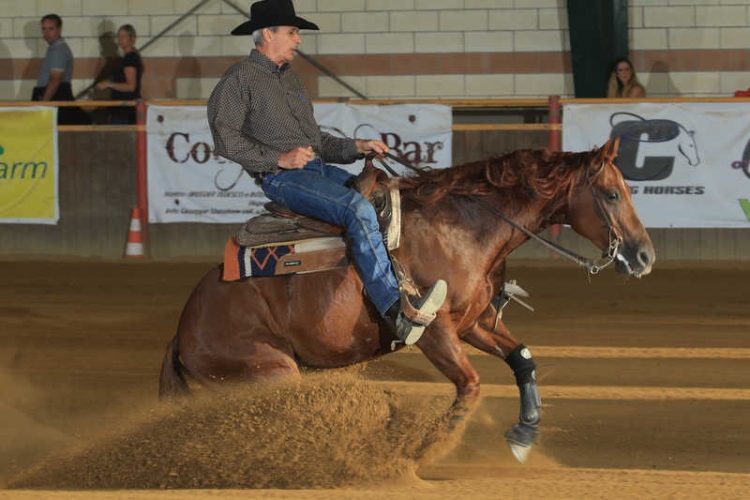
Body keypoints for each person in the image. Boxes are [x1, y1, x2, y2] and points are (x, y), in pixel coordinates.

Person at [207, 0, 447, 346]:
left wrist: (356, 146)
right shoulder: (239, 79)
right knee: (356, 209)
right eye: (292, 32)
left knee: (387, 199)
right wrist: (279, 158)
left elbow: (317, 139)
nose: (298, 40)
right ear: (269, 34)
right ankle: (395, 311)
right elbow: (225, 139)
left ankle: (397, 285)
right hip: (284, 178)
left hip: (317, 170)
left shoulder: (289, 79)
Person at [32, 14, 90, 125]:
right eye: (44, 29)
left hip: (55, 97)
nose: (46, 33)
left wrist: (42, 105)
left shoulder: (58, 50)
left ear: (60, 29)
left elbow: (55, 80)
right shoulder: (54, 49)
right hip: (53, 96)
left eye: (51, 28)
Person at [95, 24, 144, 124]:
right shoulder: (125, 58)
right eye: (119, 36)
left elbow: (131, 86)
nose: (120, 40)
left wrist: (109, 84)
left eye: (124, 36)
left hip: (125, 110)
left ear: (132, 39)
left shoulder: (130, 59)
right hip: (121, 109)